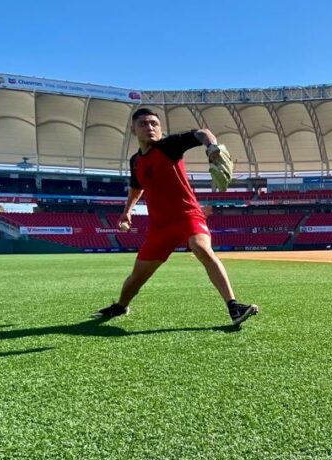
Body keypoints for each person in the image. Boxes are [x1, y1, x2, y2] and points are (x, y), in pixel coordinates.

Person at [93, 107, 259, 326]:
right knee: (137, 278)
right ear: (133, 130)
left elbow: (202, 133)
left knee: (202, 249)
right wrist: (127, 212)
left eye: (154, 124)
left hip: (188, 216)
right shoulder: (135, 161)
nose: (150, 127)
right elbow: (136, 188)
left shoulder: (169, 146)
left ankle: (234, 306)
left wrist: (212, 147)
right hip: (160, 227)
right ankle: (121, 306)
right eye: (143, 124)